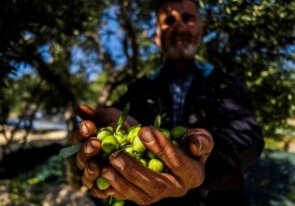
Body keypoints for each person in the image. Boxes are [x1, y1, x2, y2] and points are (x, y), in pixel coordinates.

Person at [70, 0, 265, 205]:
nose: (179, 27)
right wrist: (96, 151)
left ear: (202, 32)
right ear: (156, 38)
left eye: (188, 19)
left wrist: (207, 156)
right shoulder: (138, 90)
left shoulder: (225, 83)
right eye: (169, 21)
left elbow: (250, 136)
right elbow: (113, 132)